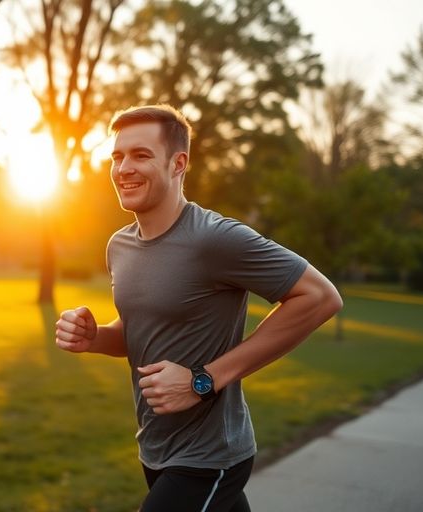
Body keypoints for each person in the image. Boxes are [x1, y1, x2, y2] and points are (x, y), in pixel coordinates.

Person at [55, 105, 342, 512]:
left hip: (210, 458)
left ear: (178, 164)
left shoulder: (215, 238)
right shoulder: (119, 246)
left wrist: (201, 381)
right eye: (117, 157)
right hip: (156, 449)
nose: (123, 169)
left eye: (140, 155)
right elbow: (140, 329)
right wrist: (96, 337)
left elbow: (320, 297)